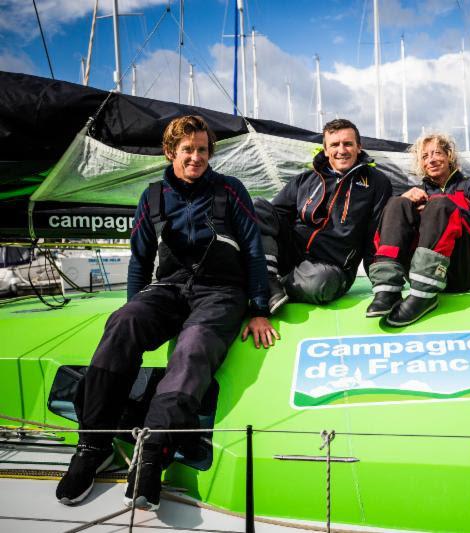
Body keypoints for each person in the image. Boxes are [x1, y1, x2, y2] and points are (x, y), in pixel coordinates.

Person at [55, 115, 279, 510]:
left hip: (221, 291)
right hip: (170, 287)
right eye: (188, 149)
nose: (196, 157)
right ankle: (93, 445)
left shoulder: (231, 190)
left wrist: (258, 308)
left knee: (192, 348)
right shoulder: (153, 196)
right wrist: (135, 305)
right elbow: (140, 260)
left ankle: (152, 452)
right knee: (123, 324)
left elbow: (255, 252)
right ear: (171, 151)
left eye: (203, 150)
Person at [254, 119, 392, 306]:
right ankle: (266, 279)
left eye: (348, 144)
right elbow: (271, 218)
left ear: (359, 147)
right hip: (292, 254)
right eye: (334, 145)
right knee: (256, 206)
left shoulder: (377, 183)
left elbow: (375, 237)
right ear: (326, 151)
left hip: (332, 268)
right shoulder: (304, 180)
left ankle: (278, 285)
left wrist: (382, 288)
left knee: (320, 284)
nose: (341, 150)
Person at [367, 133, 470, 326]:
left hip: (462, 272)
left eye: (437, 153)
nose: (431, 160)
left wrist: (450, 210)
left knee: (440, 205)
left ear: (449, 156)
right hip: (416, 272)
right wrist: (406, 199)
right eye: (425, 156)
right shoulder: (417, 192)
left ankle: (424, 295)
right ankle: (387, 290)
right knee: (397, 203)